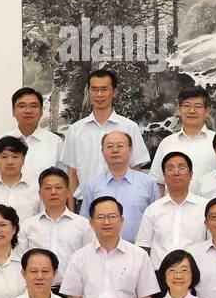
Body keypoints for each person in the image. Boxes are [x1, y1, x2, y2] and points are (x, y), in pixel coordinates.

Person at [60, 68, 150, 203]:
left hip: (122, 203)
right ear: (88, 92)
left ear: (114, 92)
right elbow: (72, 174)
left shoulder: (129, 127)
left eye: (104, 89)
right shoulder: (75, 130)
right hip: (85, 203)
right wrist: (72, 213)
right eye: (94, 89)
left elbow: (136, 169)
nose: (99, 94)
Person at [77, 130, 159, 244]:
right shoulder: (93, 185)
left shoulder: (148, 183)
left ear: (130, 150)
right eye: (109, 146)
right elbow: (86, 222)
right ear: (102, 151)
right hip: (102, 252)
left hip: (139, 252)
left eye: (120, 146)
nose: (115, 150)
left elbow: (157, 221)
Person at [136, 152, 209, 267]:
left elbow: (211, 244)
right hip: (159, 275)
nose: (176, 172)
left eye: (181, 168)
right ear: (164, 176)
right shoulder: (153, 210)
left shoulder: (205, 207)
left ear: (191, 175)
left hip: (196, 274)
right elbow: (143, 248)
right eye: (170, 169)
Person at [23, 168, 92, 289]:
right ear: (40, 193)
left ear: (68, 192)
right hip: (37, 290)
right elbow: (21, 260)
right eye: (48, 188)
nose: (53, 192)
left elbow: (90, 260)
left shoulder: (83, 224)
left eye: (58, 187)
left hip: (73, 291)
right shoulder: (28, 225)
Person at [0, 87, 62, 187]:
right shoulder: (2, 141)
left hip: (43, 202)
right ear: (13, 111)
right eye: (22, 106)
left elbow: (63, 180)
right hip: (8, 202)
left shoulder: (55, 142)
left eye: (34, 106)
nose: (28, 110)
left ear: (41, 112)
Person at [150, 88, 216, 191]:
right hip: (173, 206)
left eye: (197, 106)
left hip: (210, 205)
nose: (191, 110)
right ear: (179, 110)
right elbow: (158, 182)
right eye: (186, 106)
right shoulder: (167, 143)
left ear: (207, 111)